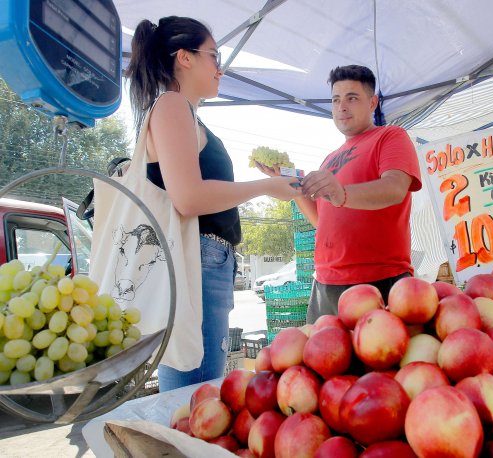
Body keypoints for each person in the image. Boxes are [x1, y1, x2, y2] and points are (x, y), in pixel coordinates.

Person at [126, 16, 300, 391]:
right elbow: (189, 198)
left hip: (204, 260)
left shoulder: (186, 114)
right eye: (213, 55)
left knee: (196, 390)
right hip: (197, 258)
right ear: (185, 58)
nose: (220, 69)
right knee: (196, 397)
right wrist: (267, 186)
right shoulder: (172, 105)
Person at [257, 65, 422, 323]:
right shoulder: (329, 159)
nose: (342, 106)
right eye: (336, 99)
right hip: (325, 282)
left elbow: (395, 188)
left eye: (352, 98)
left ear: (373, 102)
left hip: (378, 280)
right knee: (322, 361)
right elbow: (322, 221)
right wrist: (291, 185)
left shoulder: (390, 136)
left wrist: (341, 192)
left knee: (377, 361)